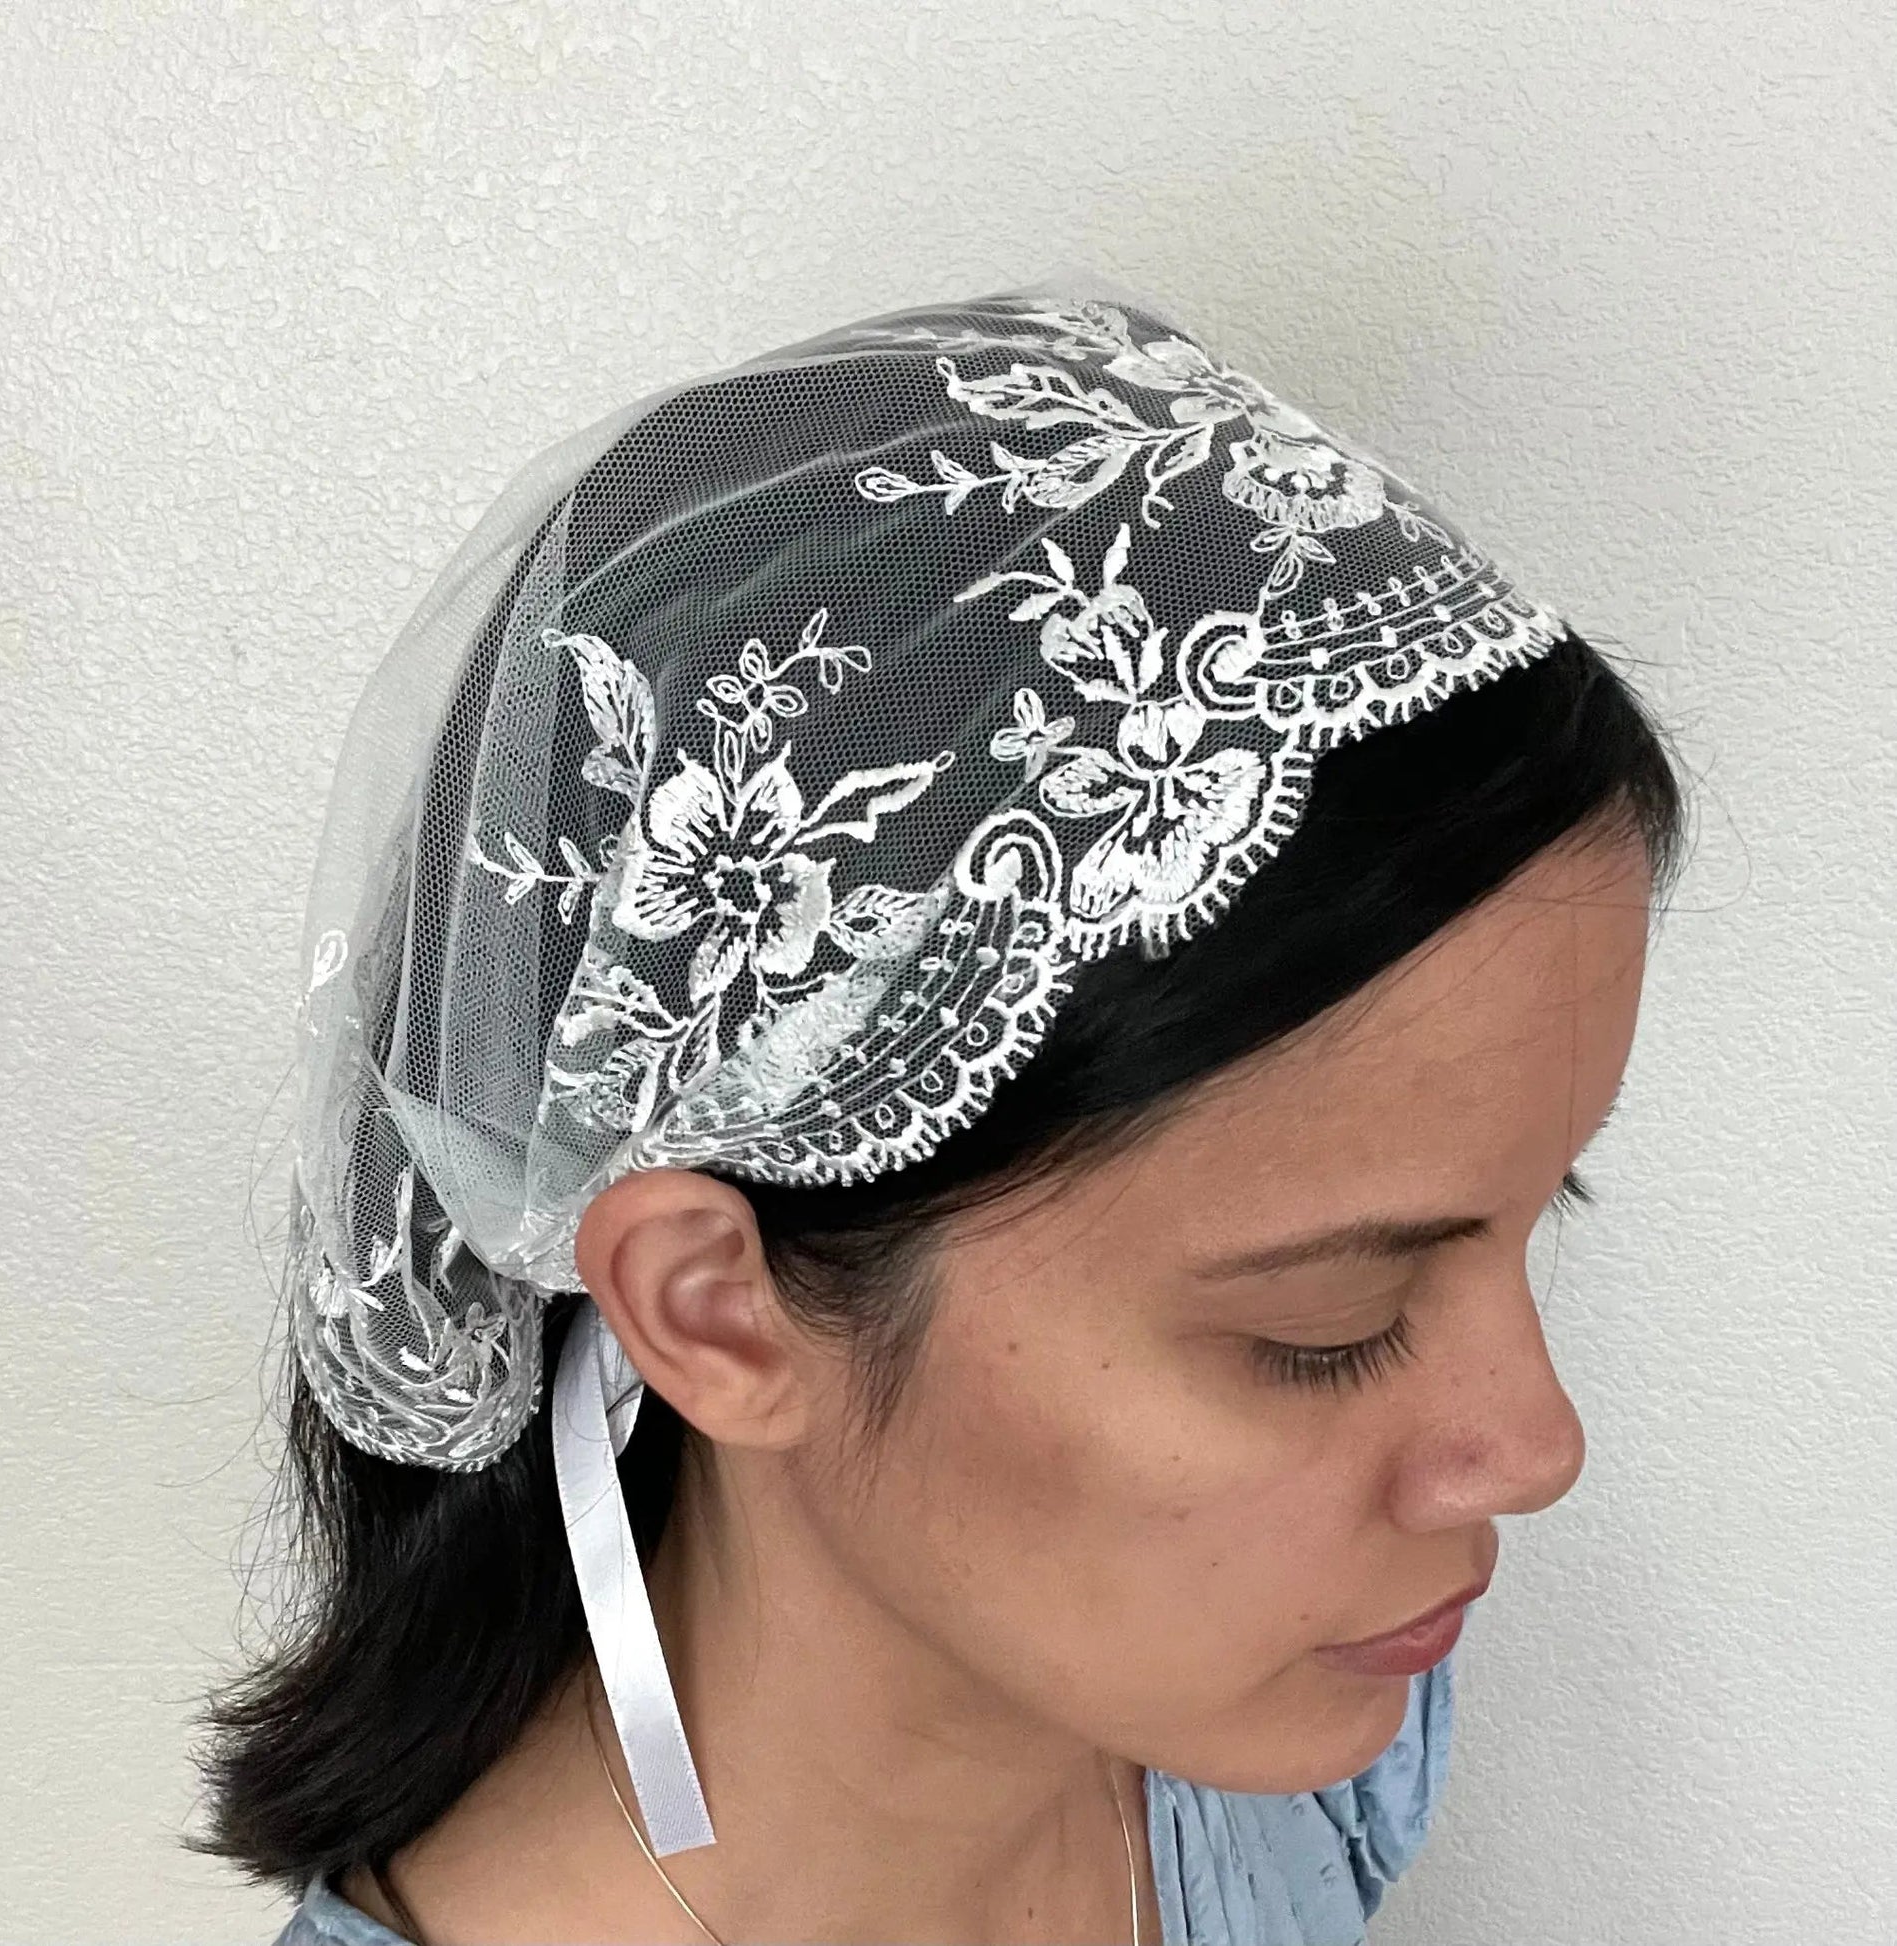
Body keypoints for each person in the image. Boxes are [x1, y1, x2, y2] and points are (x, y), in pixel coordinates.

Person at [191, 271, 1688, 1945]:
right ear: (714, 1307)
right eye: (1326, 1326)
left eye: (1537, 1210)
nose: (1534, 1445)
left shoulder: (1295, 1737)